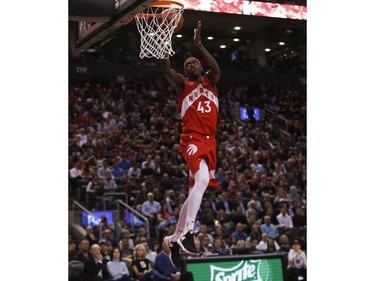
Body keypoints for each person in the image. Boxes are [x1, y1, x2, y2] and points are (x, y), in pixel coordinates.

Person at [160, 19, 221, 263]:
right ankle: (187, 231)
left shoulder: (211, 82)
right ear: (185, 71)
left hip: (210, 142)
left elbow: (216, 69)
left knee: (195, 189)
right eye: (188, 63)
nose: (193, 63)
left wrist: (199, 44)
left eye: (195, 61)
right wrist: (164, 41)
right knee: (203, 180)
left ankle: (173, 239)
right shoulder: (182, 84)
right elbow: (166, 69)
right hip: (192, 139)